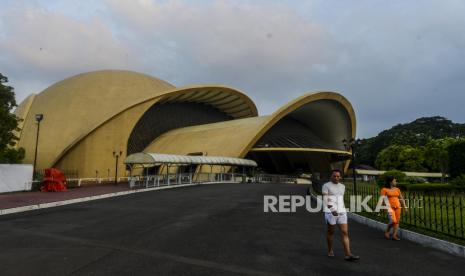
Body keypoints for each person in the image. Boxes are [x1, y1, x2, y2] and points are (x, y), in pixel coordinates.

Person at [322, 169, 359, 261]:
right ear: (331, 176)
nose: (336, 177)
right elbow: (325, 198)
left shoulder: (342, 186)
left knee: (345, 232)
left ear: (340, 177)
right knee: (331, 232)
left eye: (338, 176)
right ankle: (330, 249)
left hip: (342, 212)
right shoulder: (326, 185)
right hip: (330, 212)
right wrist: (332, 209)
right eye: (334, 176)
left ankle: (348, 254)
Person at [381, 176, 408, 240]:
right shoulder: (384, 189)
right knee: (393, 221)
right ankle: (387, 231)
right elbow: (382, 199)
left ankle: (394, 235)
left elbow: (401, 198)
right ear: (390, 182)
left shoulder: (397, 189)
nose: (396, 182)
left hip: (398, 207)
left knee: (397, 222)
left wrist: (405, 207)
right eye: (394, 181)